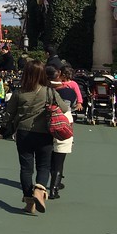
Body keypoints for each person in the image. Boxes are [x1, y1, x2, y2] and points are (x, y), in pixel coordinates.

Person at [0, 60, 69, 214]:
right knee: (44, 166)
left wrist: (4, 129)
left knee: (26, 168)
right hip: (44, 133)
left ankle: (29, 202)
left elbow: (9, 114)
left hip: (24, 133)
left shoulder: (19, 92)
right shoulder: (49, 92)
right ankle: (40, 189)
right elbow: (64, 108)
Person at [47, 66, 75, 200]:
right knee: (60, 158)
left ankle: (43, 183)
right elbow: (72, 104)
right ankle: (54, 188)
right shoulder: (69, 92)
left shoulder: (43, 91)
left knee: (47, 156)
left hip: (46, 124)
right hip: (63, 123)